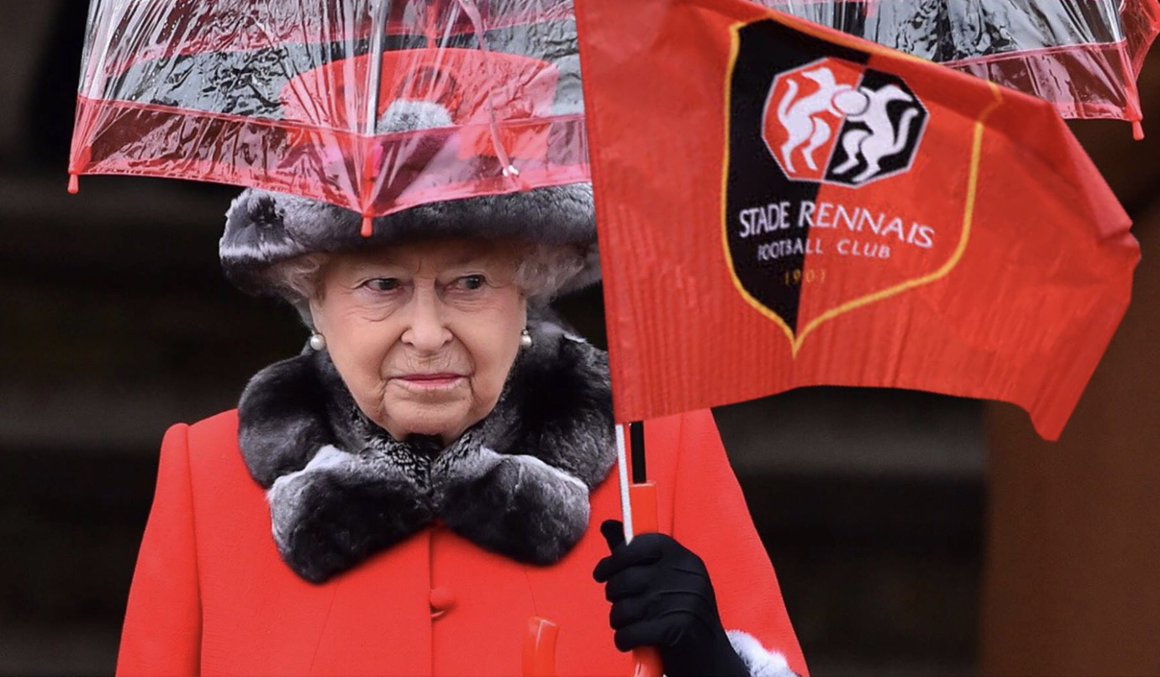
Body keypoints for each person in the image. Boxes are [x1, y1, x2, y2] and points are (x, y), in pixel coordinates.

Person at [114, 93, 806, 677]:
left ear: (527, 289)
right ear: (313, 302)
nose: (426, 333)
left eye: (469, 283)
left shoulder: (654, 452)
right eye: (382, 285)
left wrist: (716, 665)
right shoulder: (207, 477)